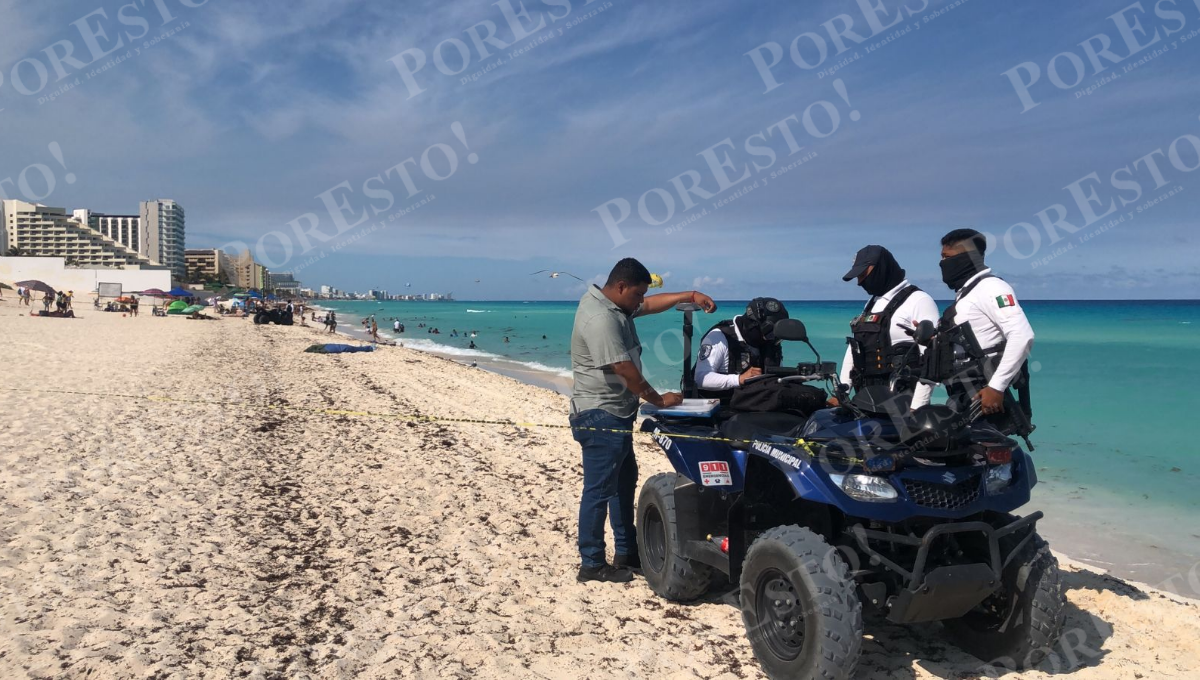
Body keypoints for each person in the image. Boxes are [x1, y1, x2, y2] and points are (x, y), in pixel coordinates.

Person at [569, 257, 716, 583]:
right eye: (636, 295)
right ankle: (591, 564)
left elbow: (649, 304)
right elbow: (623, 369)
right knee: (599, 491)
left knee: (623, 485)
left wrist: (688, 295)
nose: (639, 302)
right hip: (600, 415)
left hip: (616, 414)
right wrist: (658, 399)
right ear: (621, 287)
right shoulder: (601, 318)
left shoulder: (614, 304)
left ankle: (626, 551)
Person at [935, 228, 1035, 427]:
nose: (943, 264)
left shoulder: (991, 288)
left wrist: (996, 388)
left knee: (983, 453)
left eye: (947, 257)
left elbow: (1022, 335)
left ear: (967, 257)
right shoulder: (967, 293)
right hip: (964, 392)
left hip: (985, 395)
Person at [839, 245, 939, 414]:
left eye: (863, 275)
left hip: (904, 403)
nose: (859, 282)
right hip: (868, 399)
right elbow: (855, 348)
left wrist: (918, 406)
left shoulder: (919, 301)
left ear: (880, 269)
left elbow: (931, 356)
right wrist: (843, 392)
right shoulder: (872, 304)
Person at [694, 297, 787, 402]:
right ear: (753, 325)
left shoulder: (770, 343)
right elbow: (700, 378)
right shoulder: (720, 337)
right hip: (720, 408)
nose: (772, 338)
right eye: (769, 333)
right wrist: (739, 379)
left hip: (757, 406)